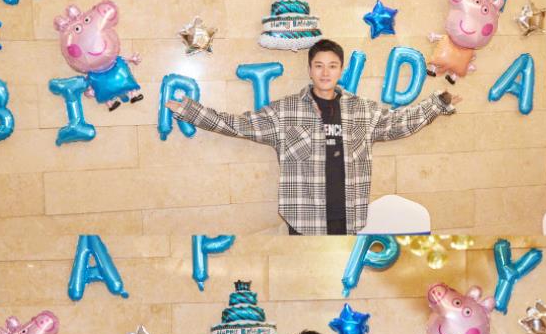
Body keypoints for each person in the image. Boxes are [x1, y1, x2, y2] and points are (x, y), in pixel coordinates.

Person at [166, 39, 462, 235]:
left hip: (350, 220)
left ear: (341, 70)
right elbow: (237, 125)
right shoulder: (285, 111)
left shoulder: (363, 110)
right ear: (310, 70)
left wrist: (438, 103)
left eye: (332, 66)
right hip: (305, 222)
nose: (325, 72)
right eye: (319, 65)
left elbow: (399, 124)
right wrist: (190, 111)